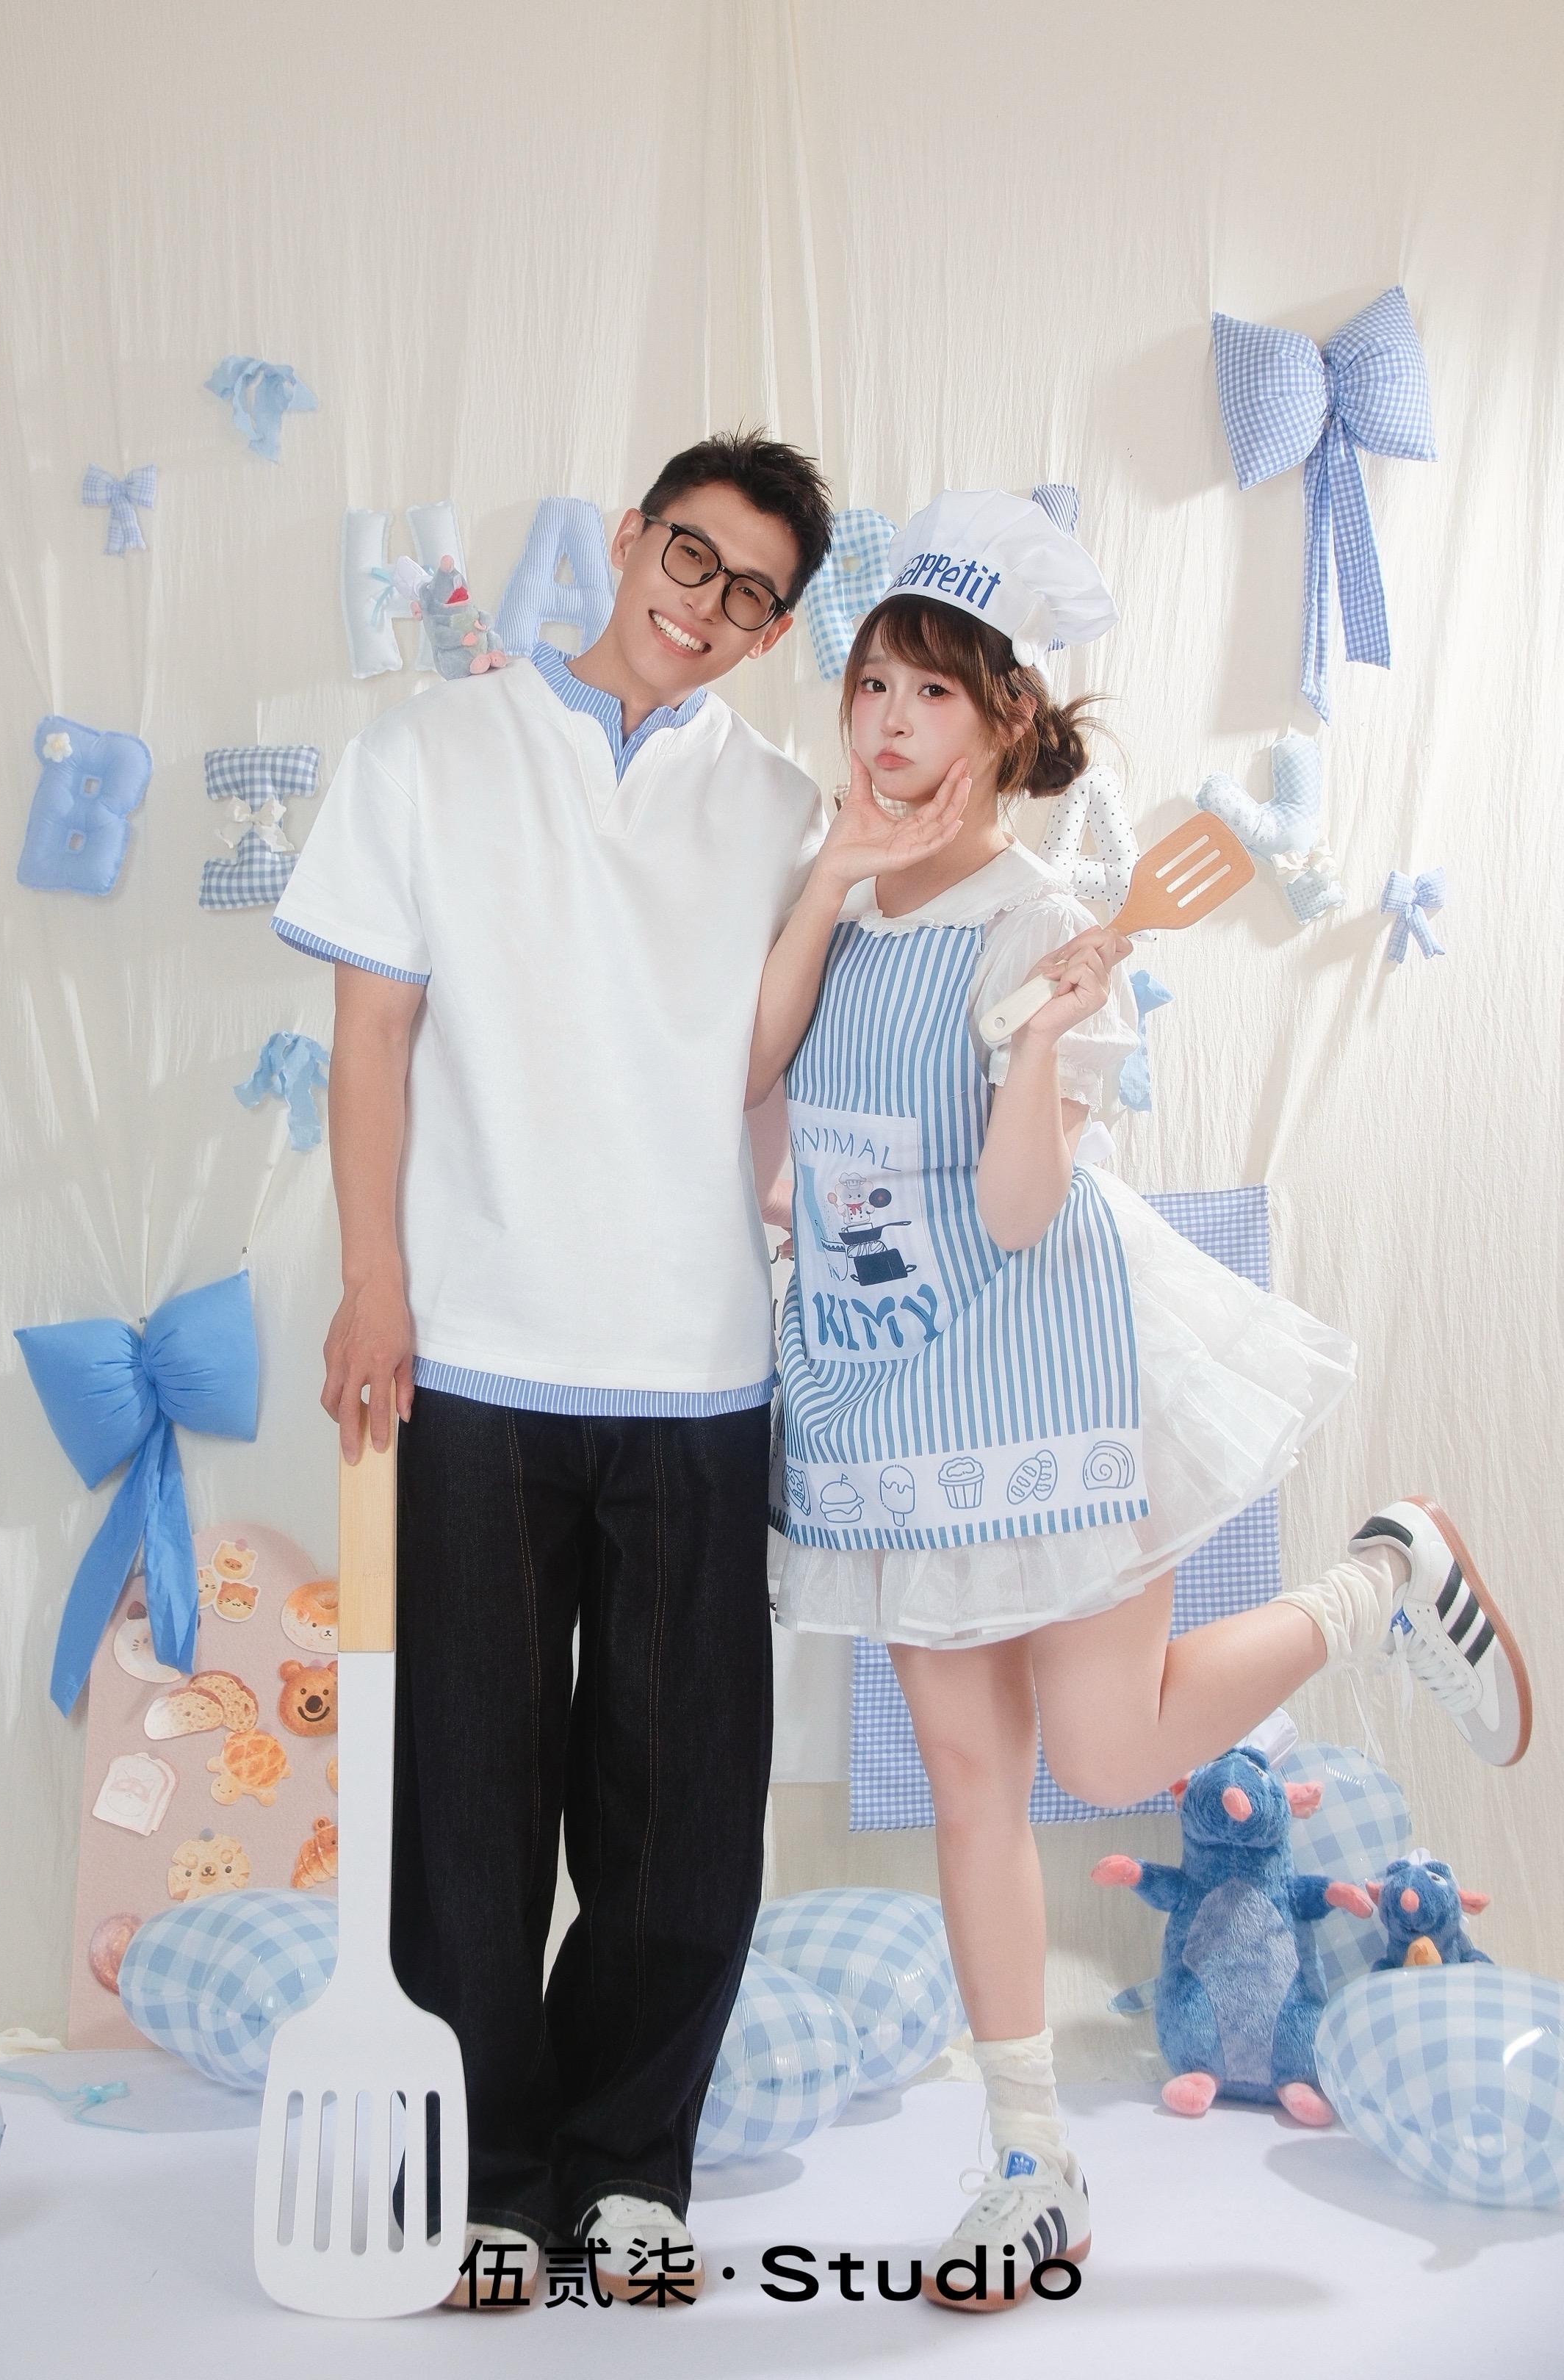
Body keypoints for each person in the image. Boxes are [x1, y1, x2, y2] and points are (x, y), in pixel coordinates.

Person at [749, 488, 1535, 2310]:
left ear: (1008, 716)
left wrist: (1042, 1038)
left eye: (935, 693)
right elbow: (754, 1079)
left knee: (1103, 1761)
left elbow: (1023, 1211)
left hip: (1048, 1363)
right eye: (874, 682)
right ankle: (1030, 2166)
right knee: (968, 1780)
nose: (890, 722)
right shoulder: (835, 888)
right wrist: (830, 879)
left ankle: (1381, 1579)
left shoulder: (1043, 916)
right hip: (885, 1391)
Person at [271, 432, 904, 2309]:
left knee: (680, 1804)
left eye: (752, 595)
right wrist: (372, 1282)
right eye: (689, 557)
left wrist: (849, 873)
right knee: (468, 1797)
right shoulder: (428, 754)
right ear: (628, 538)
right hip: (470, 1350)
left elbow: (762, 1058)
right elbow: (371, 1035)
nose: (704, 607)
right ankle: (486, 2176)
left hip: (699, 1366)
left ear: (778, 630)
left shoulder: (779, 805)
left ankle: (630, 2167)